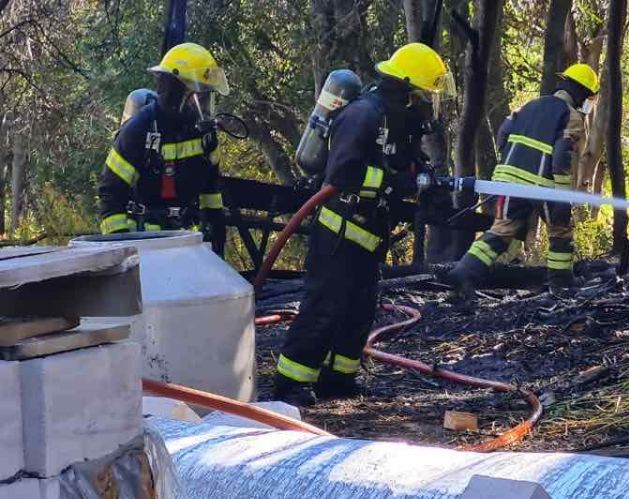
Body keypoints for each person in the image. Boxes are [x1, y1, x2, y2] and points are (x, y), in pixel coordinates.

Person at [273, 43, 454, 406]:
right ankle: (290, 384)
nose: (427, 105)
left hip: (369, 234)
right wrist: (397, 184)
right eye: (424, 96)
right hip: (339, 231)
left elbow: (406, 165)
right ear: (407, 90)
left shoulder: (401, 123)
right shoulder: (363, 115)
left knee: (358, 310)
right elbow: (342, 172)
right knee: (324, 307)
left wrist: (427, 184)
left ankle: (338, 379)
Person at [447, 63, 599, 303]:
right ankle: (561, 285)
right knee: (561, 230)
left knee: (501, 230)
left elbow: (503, 132)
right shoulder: (572, 116)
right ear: (580, 92)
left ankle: (464, 273)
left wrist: (509, 161)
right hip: (541, 185)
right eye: (588, 97)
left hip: (508, 180)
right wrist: (561, 195)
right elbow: (561, 156)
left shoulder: (530, 105)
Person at [98, 43, 228, 254]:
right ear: (175, 91)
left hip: (188, 244)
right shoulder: (139, 130)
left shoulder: (205, 134)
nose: (203, 105)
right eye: (199, 96)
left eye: (207, 97)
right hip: (145, 243)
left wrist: (216, 233)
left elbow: (211, 191)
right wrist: (121, 247)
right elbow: (110, 195)